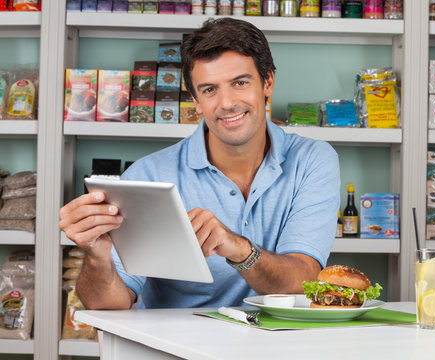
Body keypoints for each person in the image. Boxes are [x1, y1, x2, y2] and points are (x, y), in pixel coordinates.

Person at [59, 17, 340, 310]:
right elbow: (107, 305)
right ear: (195, 101)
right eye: (209, 90)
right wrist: (96, 255)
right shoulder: (148, 176)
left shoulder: (312, 160)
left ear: (267, 82)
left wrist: (240, 249)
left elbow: (302, 282)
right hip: (175, 350)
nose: (227, 102)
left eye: (240, 83)